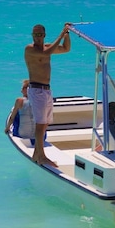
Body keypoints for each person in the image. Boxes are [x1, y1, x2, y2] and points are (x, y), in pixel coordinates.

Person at [24, 22, 72, 165]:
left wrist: (67, 34)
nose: (37, 37)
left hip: (46, 90)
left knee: (45, 124)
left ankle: (36, 154)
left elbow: (66, 48)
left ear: (44, 35)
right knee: (40, 124)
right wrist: (61, 34)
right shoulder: (29, 49)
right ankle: (42, 156)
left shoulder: (47, 47)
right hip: (36, 89)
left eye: (40, 34)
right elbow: (46, 53)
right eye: (35, 35)